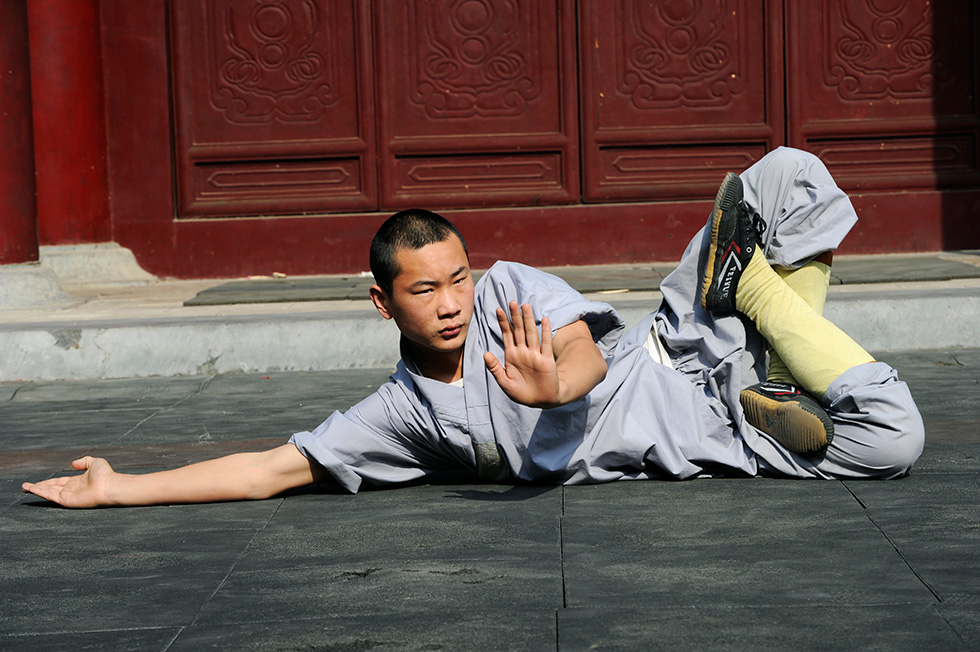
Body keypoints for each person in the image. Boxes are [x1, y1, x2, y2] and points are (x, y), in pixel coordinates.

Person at [22, 147, 925, 509]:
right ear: (385, 304)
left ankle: (754, 310)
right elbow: (272, 468)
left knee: (790, 173)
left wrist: (556, 385)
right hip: (688, 426)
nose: (454, 302)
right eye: (426, 291)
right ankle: (770, 336)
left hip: (665, 345)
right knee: (892, 439)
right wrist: (121, 487)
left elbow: (575, 350)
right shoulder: (405, 414)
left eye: (458, 277)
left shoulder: (510, 290)